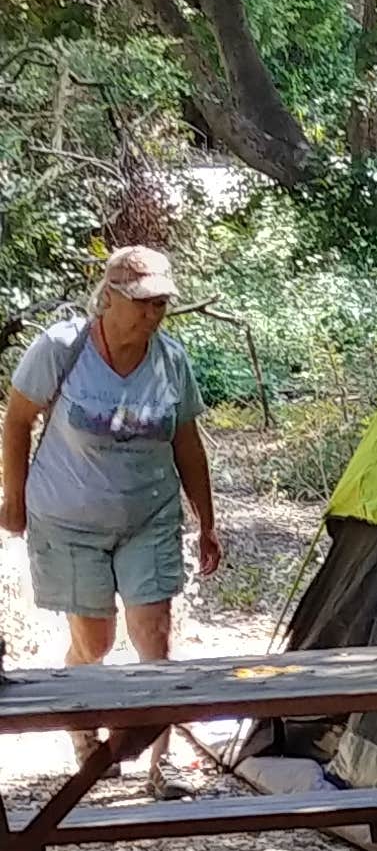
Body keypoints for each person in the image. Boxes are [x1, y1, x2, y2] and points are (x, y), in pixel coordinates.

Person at [4, 243, 224, 763]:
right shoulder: (62, 348)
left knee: (154, 635)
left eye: (161, 304)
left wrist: (206, 520)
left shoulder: (171, 360)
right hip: (68, 519)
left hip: (148, 516)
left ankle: (159, 760)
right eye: (142, 302)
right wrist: (12, 499)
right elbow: (17, 422)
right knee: (95, 641)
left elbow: (187, 443)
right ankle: (85, 734)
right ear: (110, 297)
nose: (152, 314)